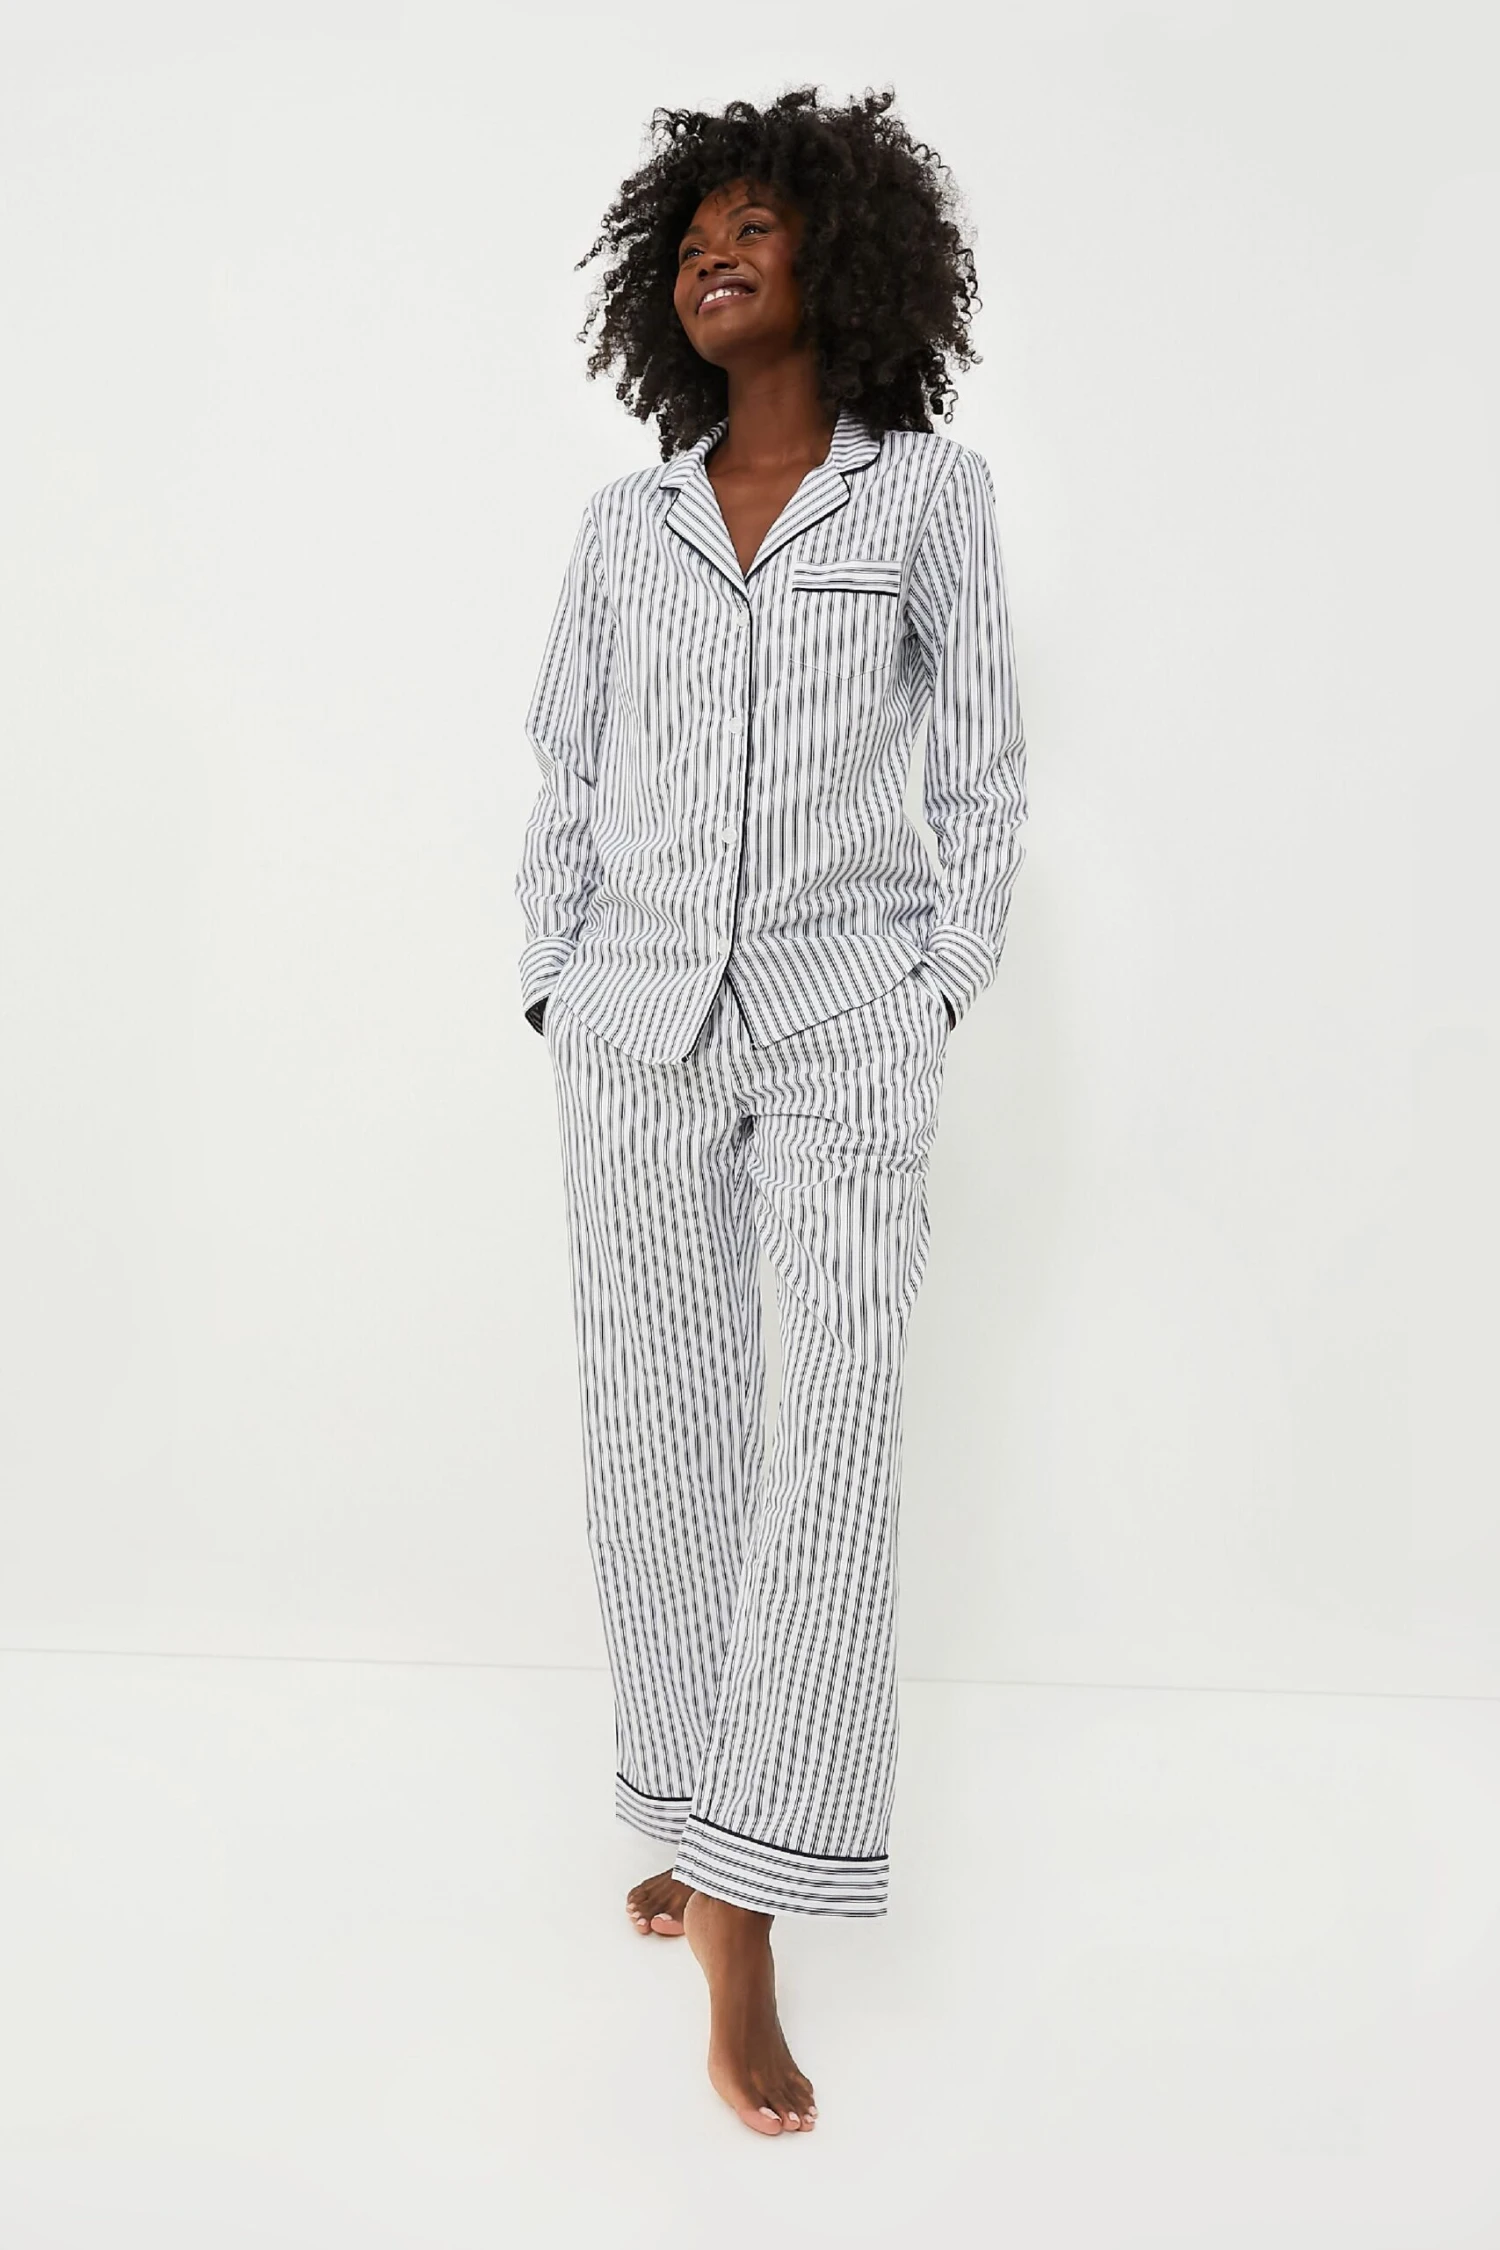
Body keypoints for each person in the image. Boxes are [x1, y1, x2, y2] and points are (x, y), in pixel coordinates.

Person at [514, 85, 1028, 2137]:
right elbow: (563, 767)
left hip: (841, 1032)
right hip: (634, 1028)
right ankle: (691, 1811)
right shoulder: (621, 531)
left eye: (750, 225)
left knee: (827, 1441)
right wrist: (555, 979)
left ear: (842, 252)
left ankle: (745, 1901)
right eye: (687, 238)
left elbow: (982, 771)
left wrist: (934, 989)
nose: (709, 256)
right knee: (657, 1436)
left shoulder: (928, 502)